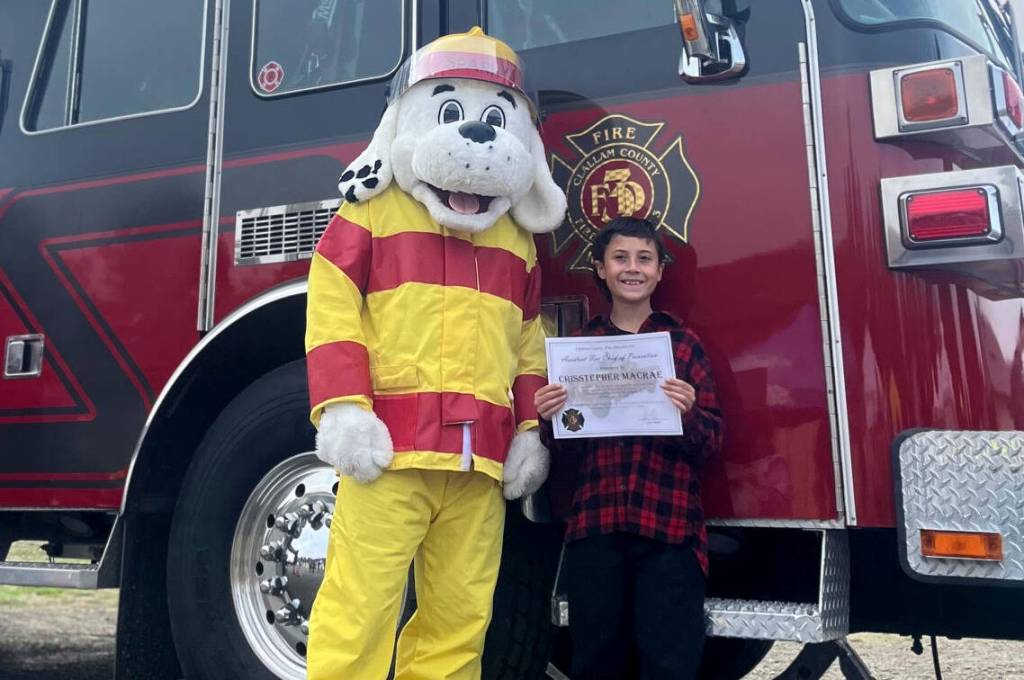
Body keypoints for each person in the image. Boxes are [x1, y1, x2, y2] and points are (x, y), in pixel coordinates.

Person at [534, 216, 723, 680]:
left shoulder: (684, 346)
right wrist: (549, 417)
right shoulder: (578, 349)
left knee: (670, 665)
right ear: (600, 268)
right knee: (596, 664)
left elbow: (713, 441)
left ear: (660, 271)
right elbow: (565, 452)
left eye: (645, 259)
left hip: (670, 533)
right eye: (620, 258)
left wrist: (689, 413)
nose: (632, 268)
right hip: (595, 533)